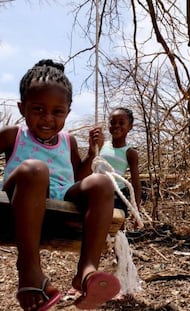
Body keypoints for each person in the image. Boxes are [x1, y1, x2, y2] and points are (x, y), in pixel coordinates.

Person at [0, 59, 120, 310]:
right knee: (36, 169)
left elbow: (78, 177)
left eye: (57, 112)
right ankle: (29, 271)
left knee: (101, 182)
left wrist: (90, 155)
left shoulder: (68, 142)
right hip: (21, 198)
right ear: (22, 108)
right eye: (38, 110)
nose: (47, 119)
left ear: (67, 111)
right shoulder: (14, 135)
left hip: (60, 201)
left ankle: (86, 271)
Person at [100, 107, 142, 225]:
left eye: (121, 123)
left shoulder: (130, 153)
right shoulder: (101, 145)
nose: (116, 126)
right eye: (113, 123)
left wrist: (136, 207)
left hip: (116, 195)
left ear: (130, 127)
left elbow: (136, 183)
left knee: (116, 228)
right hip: (97, 191)